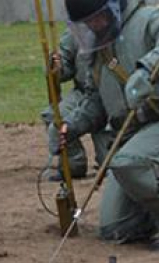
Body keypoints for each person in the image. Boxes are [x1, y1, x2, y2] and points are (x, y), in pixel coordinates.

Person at [49, 0, 159, 250]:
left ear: (114, 5)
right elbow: (98, 101)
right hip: (129, 135)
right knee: (114, 228)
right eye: (88, 22)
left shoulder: (149, 19)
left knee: (128, 162)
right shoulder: (97, 48)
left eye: (97, 18)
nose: (94, 26)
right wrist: (73, 126)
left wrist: (148, 70)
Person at [42, 27, 113, 180]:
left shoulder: (117, 27)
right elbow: (65, 67)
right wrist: (57, 67)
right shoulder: (75, 31)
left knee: (112, 168)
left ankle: (108, 161)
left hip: (110, 94)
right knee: (55, 118)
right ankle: (74, 165)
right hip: (82, 92)